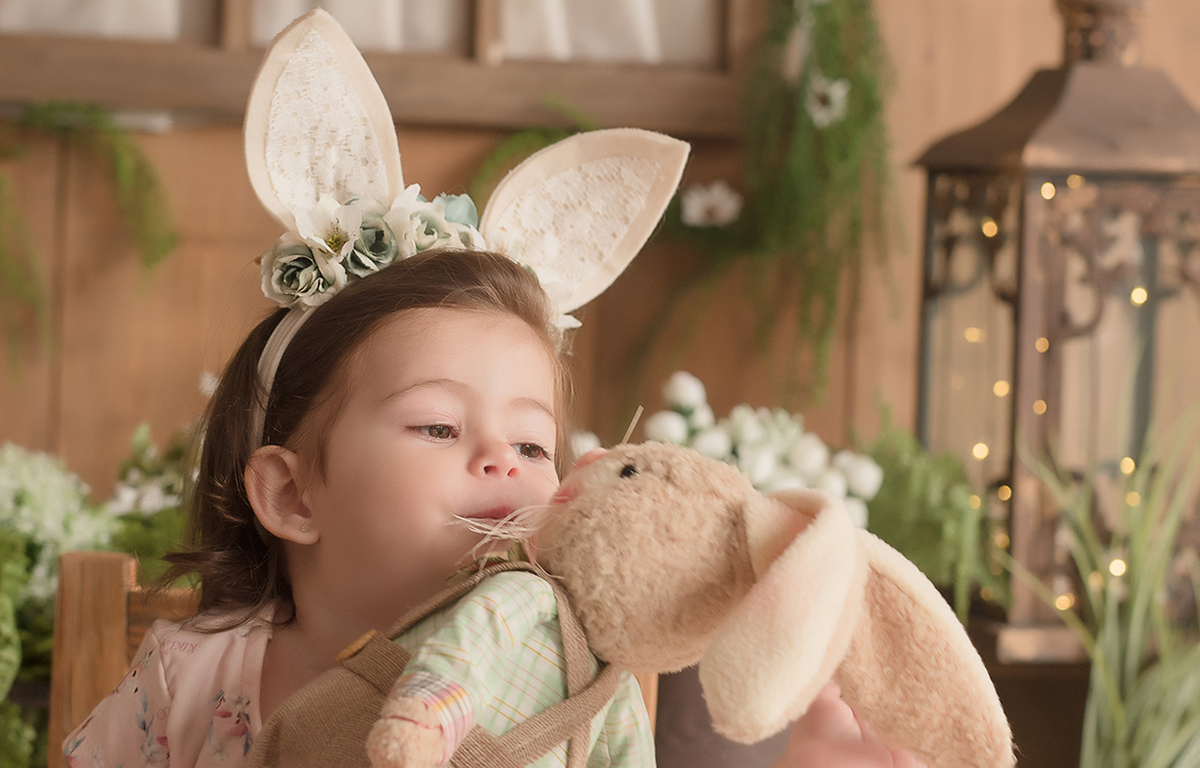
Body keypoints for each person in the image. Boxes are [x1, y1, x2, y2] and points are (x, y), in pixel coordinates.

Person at [61, 11, 926, 768]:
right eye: (438, 427)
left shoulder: (574, 689)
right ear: (293, 493)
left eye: (532, 444)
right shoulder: (193, 677)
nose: (503, 466)